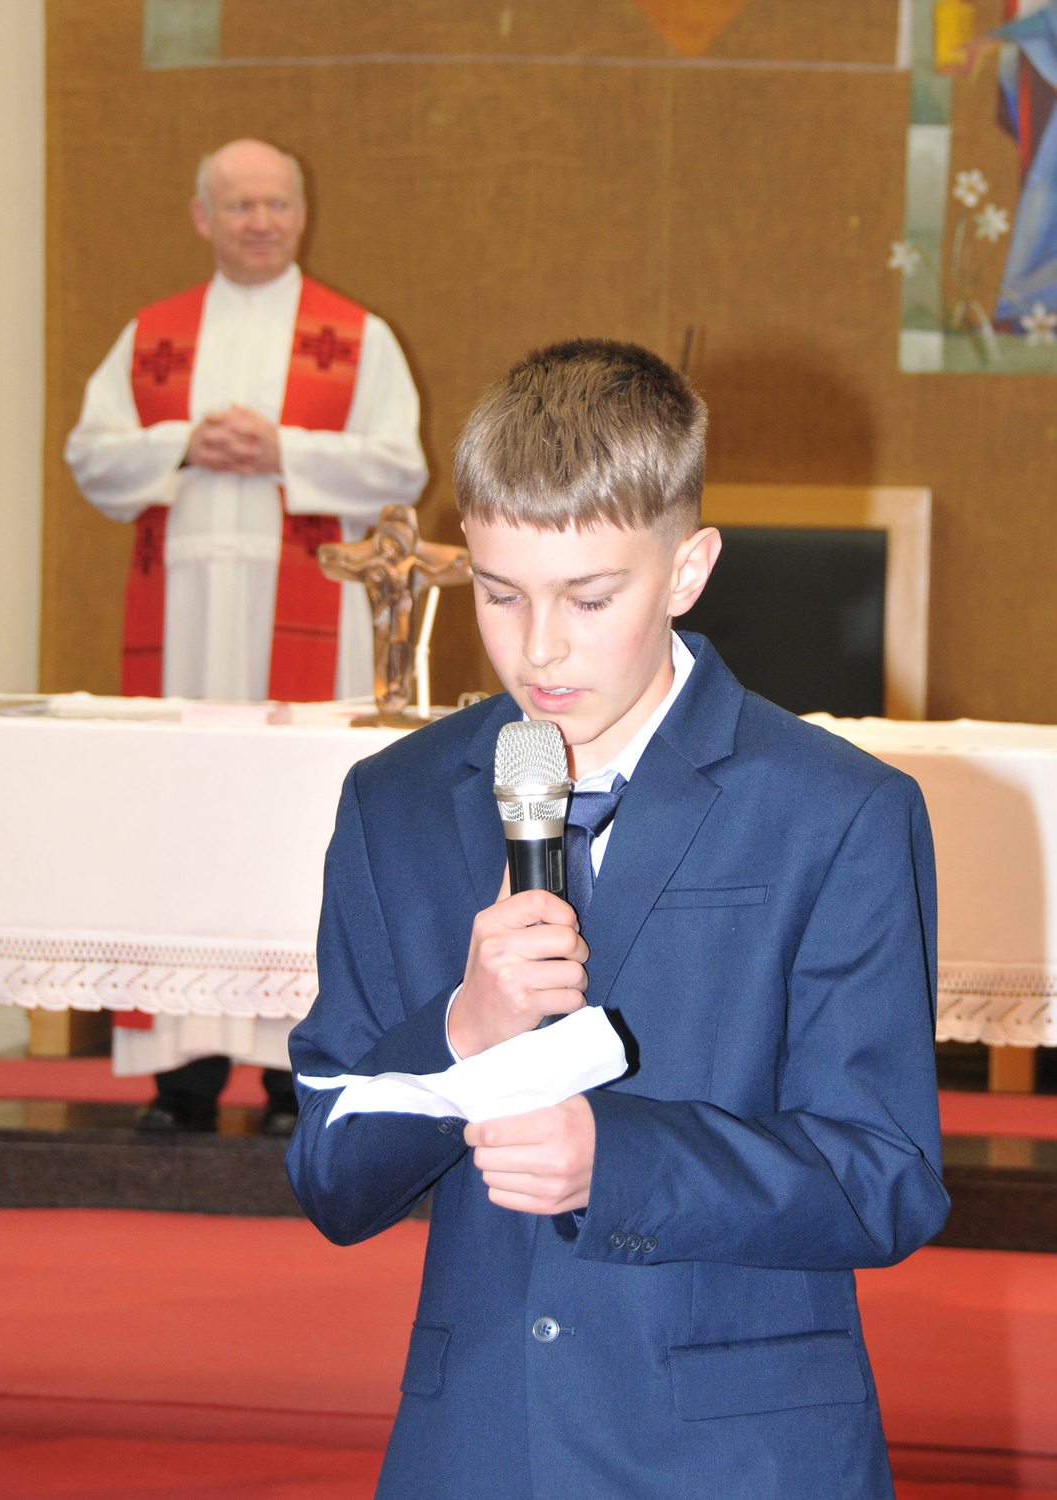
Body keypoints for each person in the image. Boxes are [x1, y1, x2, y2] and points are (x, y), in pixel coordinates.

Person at [287, 340, 949, 1498]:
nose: (537, 647)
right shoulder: (397, 802)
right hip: (480, 1446)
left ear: (687, 569)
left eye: (589, 599)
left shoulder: (832, 812)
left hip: (737, 1456)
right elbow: (331, 1177)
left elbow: (883, 1176)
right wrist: (461, 1031)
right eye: (498, 592)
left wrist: (617, 1162)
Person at [66, 138, 428, 1135]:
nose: (260, 221)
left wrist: (283, 450)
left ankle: (286, 1077)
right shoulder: (153, 335)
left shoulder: (356, 337)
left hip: (305, 622)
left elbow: (401, 466)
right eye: (239, 205)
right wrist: (183, 441)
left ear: (303, 212)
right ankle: (181, 1079)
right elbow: (91, 456)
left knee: (290, 831)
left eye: (276, 203)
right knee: (177, 822)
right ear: (202, 217)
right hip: (182, 628)